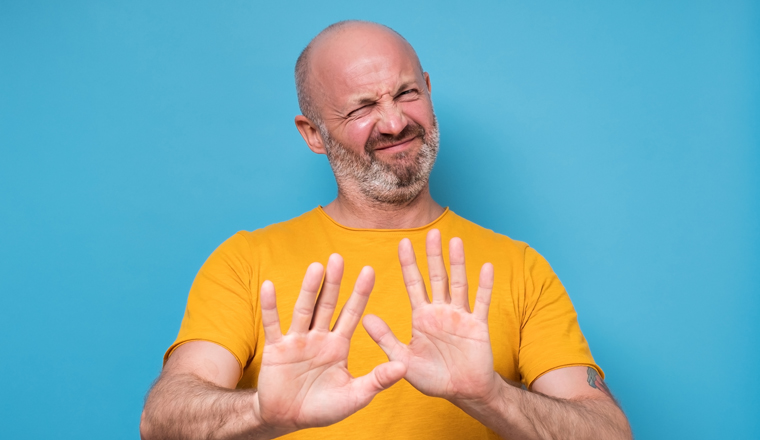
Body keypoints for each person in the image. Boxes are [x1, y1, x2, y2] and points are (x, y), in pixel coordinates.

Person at [140, 20, 632, 440]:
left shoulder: (520, 267)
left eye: (406, 93)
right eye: (361, 108)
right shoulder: (245, 262)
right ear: (313, 133)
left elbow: (608, 430)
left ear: (429, 91)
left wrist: (492, 397)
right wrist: (260, 413)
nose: (395, 122)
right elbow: (160, 418)